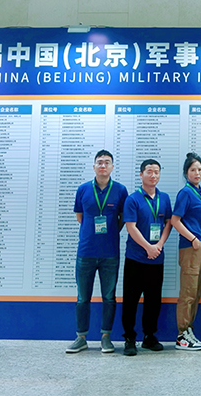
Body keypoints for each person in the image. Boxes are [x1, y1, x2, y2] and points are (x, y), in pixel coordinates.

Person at [68, 150, 128, 354]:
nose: (103, 165)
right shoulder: (83, 189)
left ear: (112, 167)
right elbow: (80, 216)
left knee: (109, 297)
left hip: (110, 253)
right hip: (86, 252)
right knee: (82, 298)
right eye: (99, 162)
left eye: (107, 162)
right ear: (94, 166)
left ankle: (106, 337)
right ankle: (81, 337)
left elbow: (123, 218)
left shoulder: (120, 190)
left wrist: (109, 232)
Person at [121, 159, 172, 356]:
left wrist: (158, 245)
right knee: (131, 300)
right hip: (135, 258)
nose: (153, 175)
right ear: (141, 174)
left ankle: (149, 336)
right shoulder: (133, 199)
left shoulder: (164, 198)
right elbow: (130, 227)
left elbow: (168, 223)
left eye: (156, 172)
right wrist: (148, 247)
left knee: (153, 300)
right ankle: (129, 338)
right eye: (149, 171)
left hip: (156, 258)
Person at [171, 152, 201, 351]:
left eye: (200, 169)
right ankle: (181, 335)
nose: (197, 173)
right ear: (186, 173)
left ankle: (189, 331)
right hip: (191, 247)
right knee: (187, 293)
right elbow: (175, 221)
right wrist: (193, 238)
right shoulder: (185, 193)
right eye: (193, 170)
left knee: (195, 292)